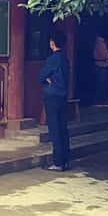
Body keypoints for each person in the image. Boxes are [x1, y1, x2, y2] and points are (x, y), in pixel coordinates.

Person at [40, 31, 71, 172]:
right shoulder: (65, 59)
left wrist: (48, 79)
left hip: (52, 96)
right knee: (63, 128)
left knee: (55, 129)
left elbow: (42, 75)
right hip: (63, 96)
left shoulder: (52, 59)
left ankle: (57, 162)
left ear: (52, 43)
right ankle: (65, 160)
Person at [93, 31, 108, 106]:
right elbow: (105, 55)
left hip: (99, 65)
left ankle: (99, 100)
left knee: (100, 84)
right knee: (101, 85)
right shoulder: (101, 43)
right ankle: (99, 101)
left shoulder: (98, 42)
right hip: (100, 65)